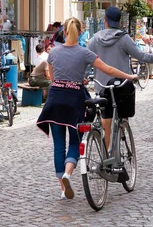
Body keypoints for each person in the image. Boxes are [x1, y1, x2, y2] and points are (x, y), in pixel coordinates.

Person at [36, 17, 137, 201]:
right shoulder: (84, 53)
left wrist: (66, 81)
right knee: (75, 142)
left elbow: (52, 77)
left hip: (55, 100)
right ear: (80, 33)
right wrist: (129, 76)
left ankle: (62, 186)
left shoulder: (53, 53)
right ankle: (68, 174)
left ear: (64, 32)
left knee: (59, 146)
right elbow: (109, 70)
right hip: (74, 102)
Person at [87, 6, 153, 148]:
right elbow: (142, 56)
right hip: (121, 85)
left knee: (105, 117)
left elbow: (86, 61)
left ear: (105, 20)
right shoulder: (123, 38)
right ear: (119, 22)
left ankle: (106, 153)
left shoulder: (94, 39)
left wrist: (83, 77)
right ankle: (121, 133)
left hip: (101, 87)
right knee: (122, 112)